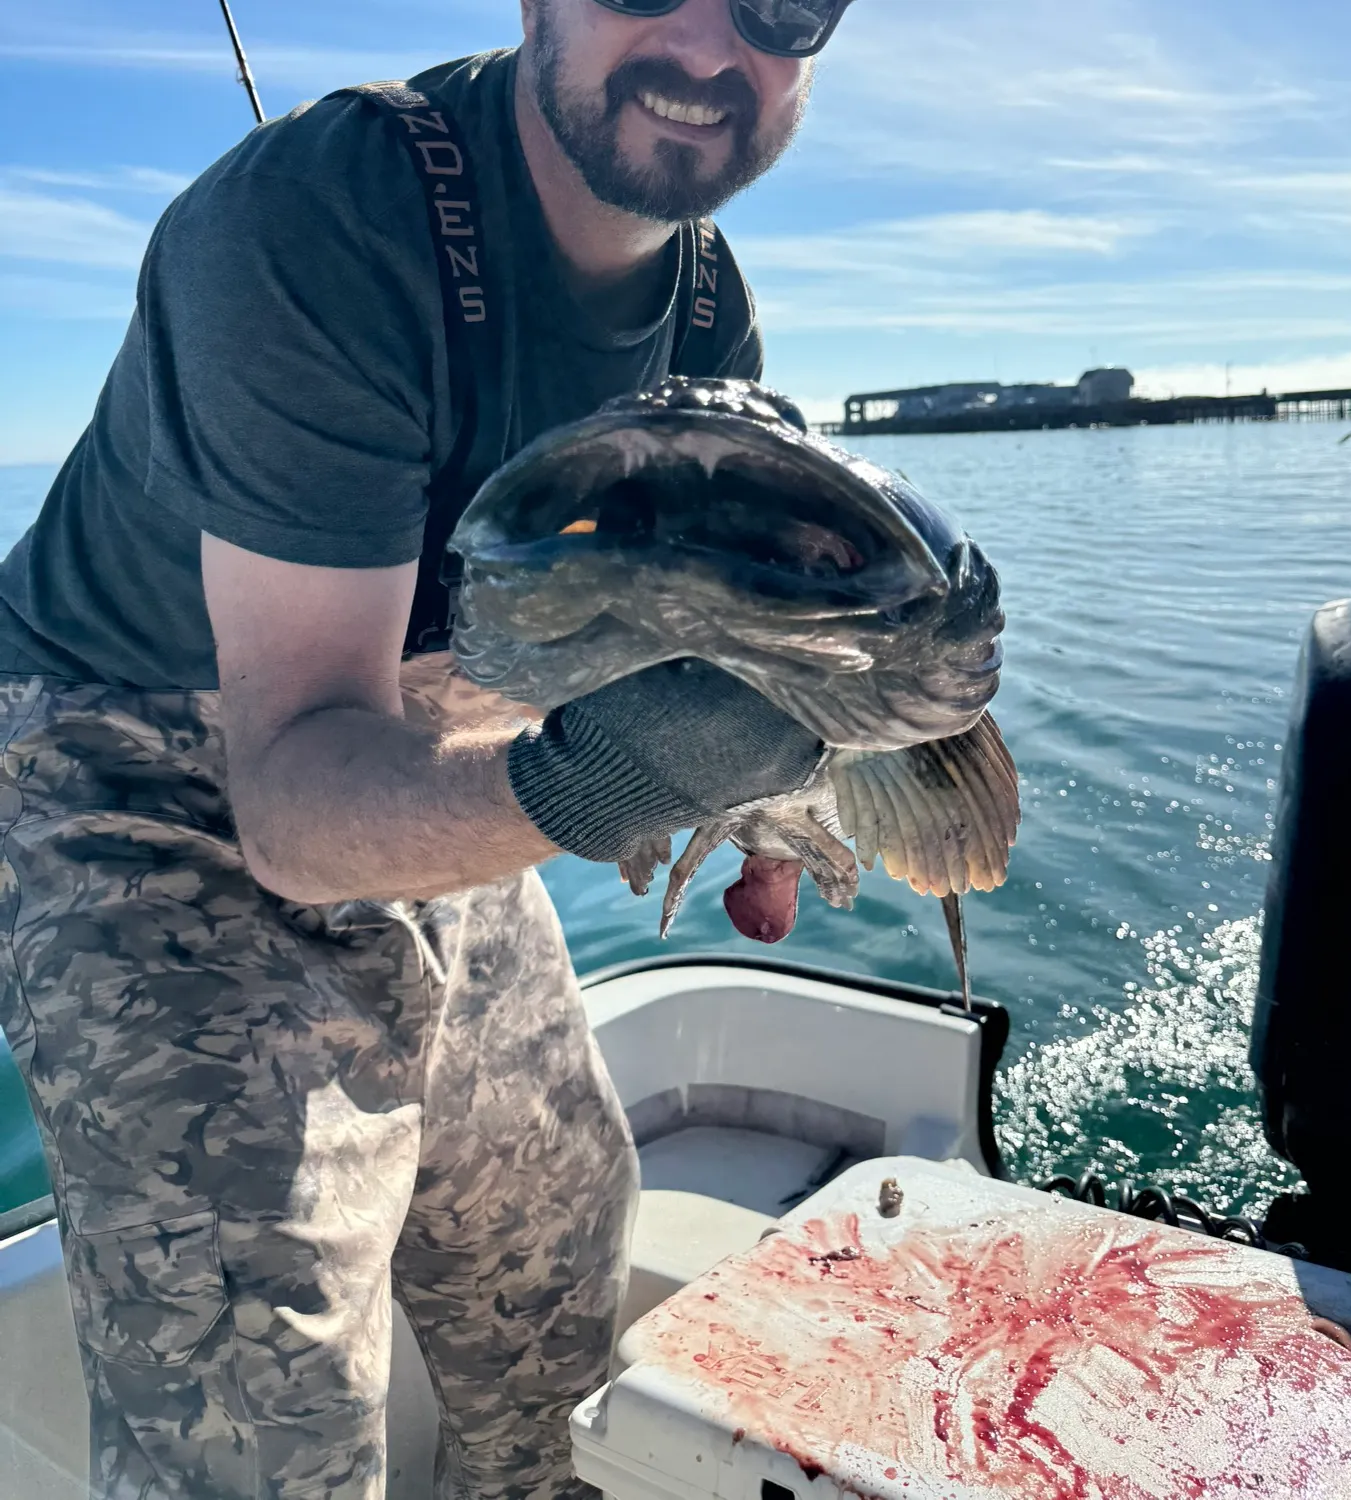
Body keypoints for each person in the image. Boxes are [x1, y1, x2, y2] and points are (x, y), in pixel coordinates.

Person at [0, 0, 857, 1495]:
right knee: (262, 1405)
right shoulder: (313, 224)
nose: (711, 49)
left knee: (557, 1239)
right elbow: (291, 803)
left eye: (782, 1)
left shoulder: (708, 319)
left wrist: (743, 793)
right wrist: (618, 776)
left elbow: (650, 650)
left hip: (416, 730)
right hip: (127, 759)